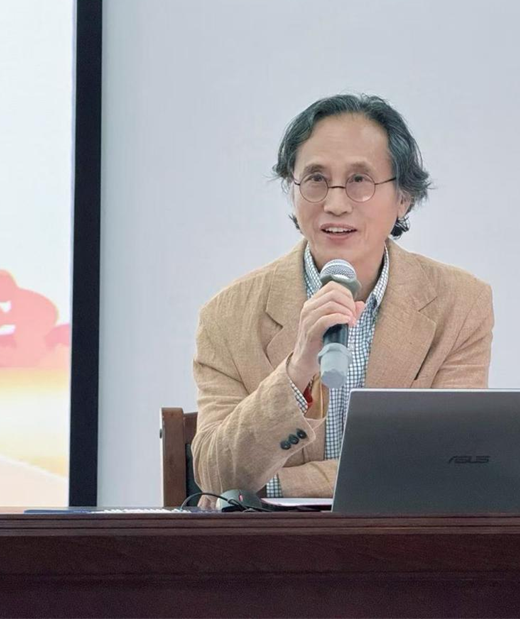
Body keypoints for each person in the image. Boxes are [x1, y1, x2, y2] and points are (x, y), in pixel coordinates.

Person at [191, 94, 493, 504]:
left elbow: (444, 463)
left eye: (359, 180)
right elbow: (216, 475)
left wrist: (279, 485)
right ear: (292, 191)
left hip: (405, 539)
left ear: (403, 197)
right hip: (277, 542)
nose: (335, 204)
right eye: (315, 179)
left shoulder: (461, 304)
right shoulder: (226, 317)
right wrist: (297, 370)